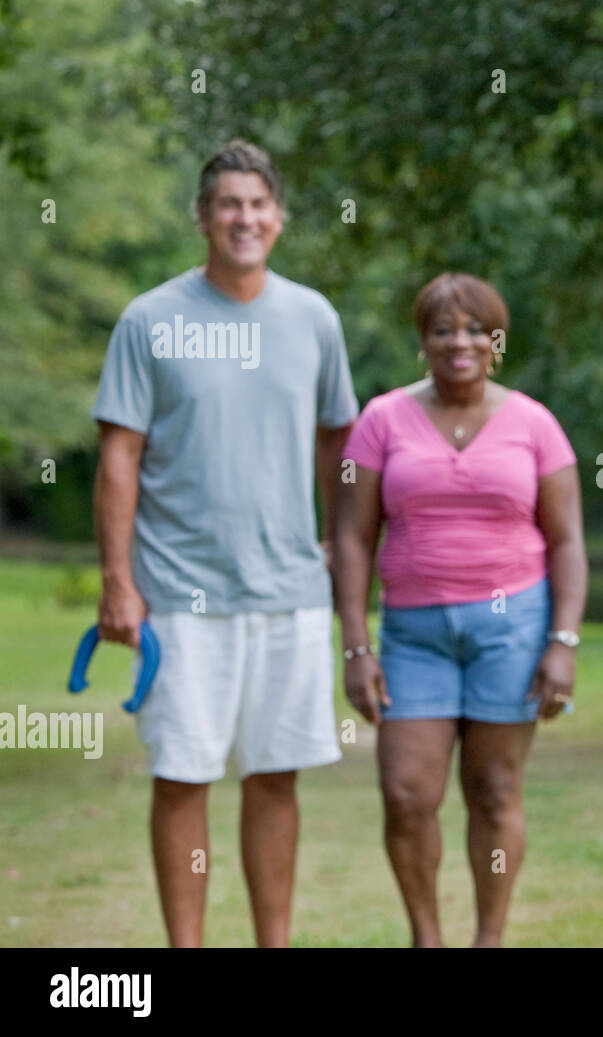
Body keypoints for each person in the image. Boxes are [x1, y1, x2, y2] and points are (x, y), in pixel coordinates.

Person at [92, 140, 359, 946]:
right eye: (228, 204)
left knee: (275, 779)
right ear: (203, 217)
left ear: (277, 218)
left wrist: (327, 542)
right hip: (179, 595)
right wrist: (117, 581)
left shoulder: (313, 317)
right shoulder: (150, 319)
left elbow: (337, 443)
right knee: (182, 779)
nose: (244, 218)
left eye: (258, 204)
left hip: (289, 594)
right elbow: (119, 456)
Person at [333, 272, 586, 948]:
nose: (460, 341)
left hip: (514, 632)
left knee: (495, 788)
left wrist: (563, 641)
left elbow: (567, 543)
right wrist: (356, 647)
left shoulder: (535, 424)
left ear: (497, 340)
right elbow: (353, 541)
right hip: (414, 637)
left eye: (476, 328)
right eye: (443, 329)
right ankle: (427, 936)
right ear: (423, 341)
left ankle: (489, 938)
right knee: (408, 793)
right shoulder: (381, 421)